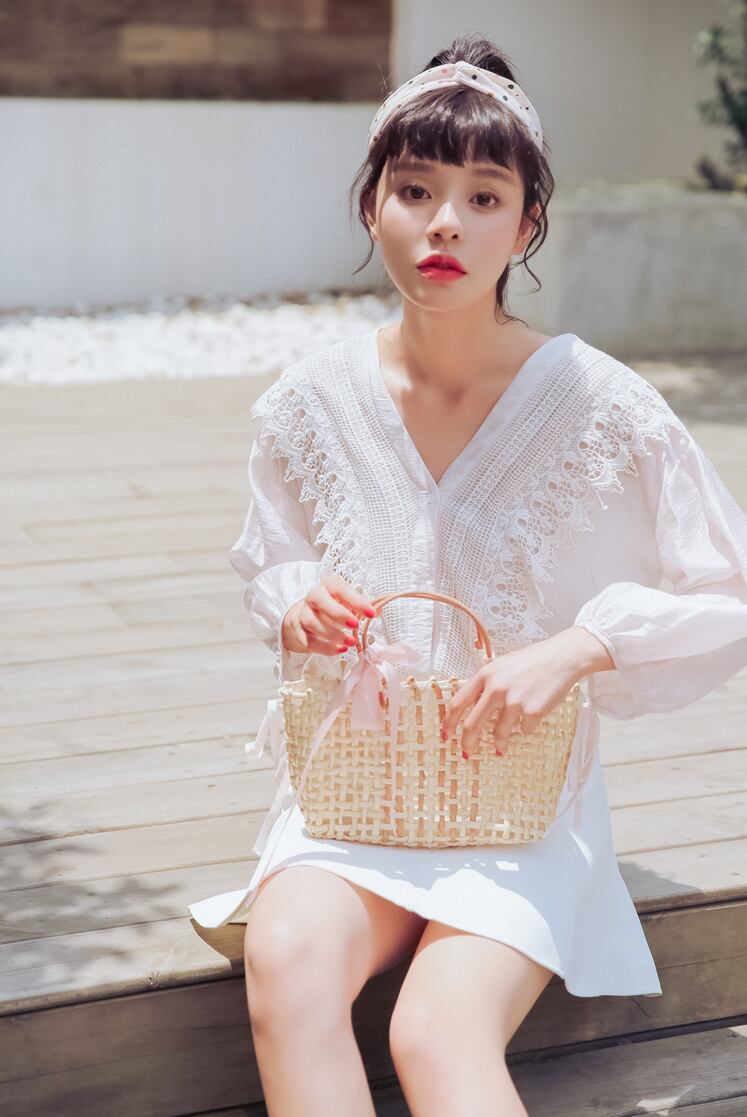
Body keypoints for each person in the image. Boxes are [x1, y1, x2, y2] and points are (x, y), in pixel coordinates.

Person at [187, 32, 747, 1117]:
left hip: (519, 813)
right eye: (415, 190)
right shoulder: (309, 401)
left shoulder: (601, 404)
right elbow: (273, 556)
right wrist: (293, 599)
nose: (445, 222)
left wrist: (582, 645)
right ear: (372, 206)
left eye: (484, 197)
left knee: (436, 1033)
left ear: (526, 224)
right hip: (354, 792)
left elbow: (727, 586)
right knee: (288, 966)